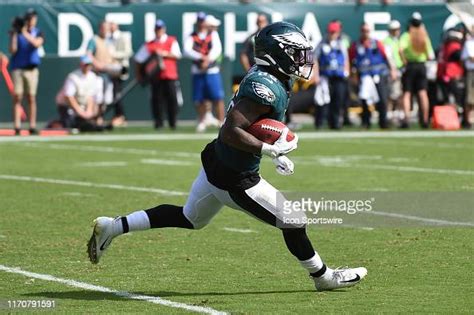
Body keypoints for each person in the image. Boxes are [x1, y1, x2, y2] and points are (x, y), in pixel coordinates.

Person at [87, 22, 367, 292]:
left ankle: (114, 226)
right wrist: (267, 149)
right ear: (277, 53)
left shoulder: (270, 77)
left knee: (190, 218)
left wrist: (268, 148)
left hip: (218, 163)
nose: (301, 59)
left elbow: (242, 128)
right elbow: (231, 131)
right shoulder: (265, 87)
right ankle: (323, 277)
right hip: (236, 178)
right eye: (295, 52)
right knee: (293, 220)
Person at [134, 19, 182, 130]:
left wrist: (163, 54)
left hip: (170, 75)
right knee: (157, 100)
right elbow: (138, 59)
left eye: (160, 28)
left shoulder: (171, 41)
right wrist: (139, 75)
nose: (158, 31)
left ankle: (173, 123)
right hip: (155, 77)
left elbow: (177, 55)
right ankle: (158, 123)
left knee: (172, 100)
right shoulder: (150, 44)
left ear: (164, 29)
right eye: (156, 29)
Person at [184, 12, 225, 132]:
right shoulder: (192, 36)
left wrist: (207, 60)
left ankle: (221, 120)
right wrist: (200, 57)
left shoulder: (213, 34)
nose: (201, 24)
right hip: (198, 70)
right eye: (200, 21)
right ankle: (202, 120)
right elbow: (187, 50)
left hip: (212, 70)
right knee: (199, 98)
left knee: (217, 97)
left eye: (203, 21)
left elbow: (217, 49)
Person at [349, 23, 395, 129]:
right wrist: (353, 75)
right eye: (363, 31)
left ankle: (383, 122)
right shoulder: (356, 45)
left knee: (382, 99)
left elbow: (387, 56)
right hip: (364, 75)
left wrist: (393, 70)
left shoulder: (377, 43)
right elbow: (351, 60)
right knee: (364, 99)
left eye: (367, 31)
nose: (365, 33)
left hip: (379, 74)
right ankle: (366, 121)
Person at [8, 8, 44, 135]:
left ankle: (32, 125)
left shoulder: (38, 32)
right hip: (18, 68)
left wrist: (24, 33)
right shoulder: (18, 33)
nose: (30, 20)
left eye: (32, 18)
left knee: (31, 97)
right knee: (18, 96)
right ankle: (17, 126)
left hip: (32, 69)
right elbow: (12, 50)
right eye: (28, 18)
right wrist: (14, 35)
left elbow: (36, 44)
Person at [399, 12, 435, 128]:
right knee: (422, 93)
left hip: (410, 65)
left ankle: (407, 119)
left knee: (407, 93)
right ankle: (424, 120)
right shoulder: (424, 35)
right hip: (421, 65)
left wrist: (404, 61)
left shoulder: (407, 35)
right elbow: (430, 55)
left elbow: (400, 49)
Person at [313, 21, 350, 129]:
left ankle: (336, 122)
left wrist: (346, 71)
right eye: (331, 32)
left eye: (335, 32)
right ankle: (320, 122)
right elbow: (315, 59)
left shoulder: (341, 43)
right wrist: (316, 75)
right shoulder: (322, 43)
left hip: (339, 75)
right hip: (325, 75)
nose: (333, 34)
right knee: (323, 99)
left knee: (338, 98)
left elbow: (346, 59)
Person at [55, 55, 103, 132]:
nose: (87, 67)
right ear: (81, 64)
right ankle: (54, 124)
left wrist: (88, 112)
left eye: (89, 64)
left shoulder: (93, 77)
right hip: (67, 106)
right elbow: (69, 97)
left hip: (82, 106)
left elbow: (90, 96)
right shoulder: (73, 77)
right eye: (85, 64)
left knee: (87, 125)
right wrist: (80, 112)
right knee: (69, 125)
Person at [107, 22, 133, 127]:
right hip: (110, 69)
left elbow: (128, 52)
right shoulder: (108, 38)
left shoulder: (124, 37)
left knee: (118, 93)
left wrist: (113, 56)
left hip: (120, 69)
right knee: (112, 94)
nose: (111, 27)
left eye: (113, 24)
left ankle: (121, 116)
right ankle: (117, 115)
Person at [383, 20, 404, 124]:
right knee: (392, 94)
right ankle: (389, 115)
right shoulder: (387, 41)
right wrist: (393, 70)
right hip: (393, 69)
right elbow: (389, 57)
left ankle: (398, 114)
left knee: (399, 93)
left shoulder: (397, 40)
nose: (397, 31)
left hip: (400, 68)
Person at [461, 25, 474, 128]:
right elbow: (470, 58)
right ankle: (469, 120)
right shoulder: (469, 43)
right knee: (469, 98)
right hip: (471, 72)